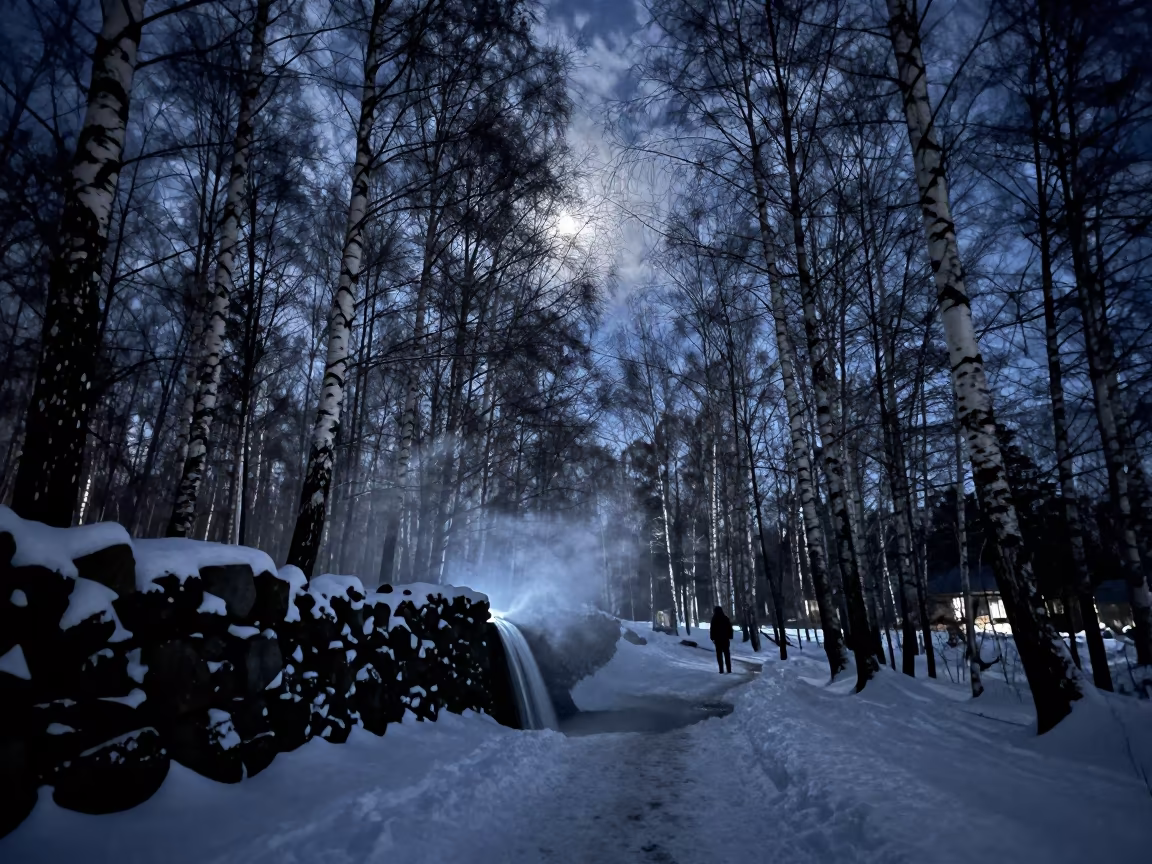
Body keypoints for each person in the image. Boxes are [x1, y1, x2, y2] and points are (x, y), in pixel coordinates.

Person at [709, 605, 733, 674]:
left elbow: (712, 629)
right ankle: (729, 669)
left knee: (719, 655)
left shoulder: (714, 619)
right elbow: (730, 628)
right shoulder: (725, 618)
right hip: (725, 639)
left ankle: (721, 670)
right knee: (727, 654)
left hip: (718, 640)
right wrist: (730, 636)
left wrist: (712, 638)